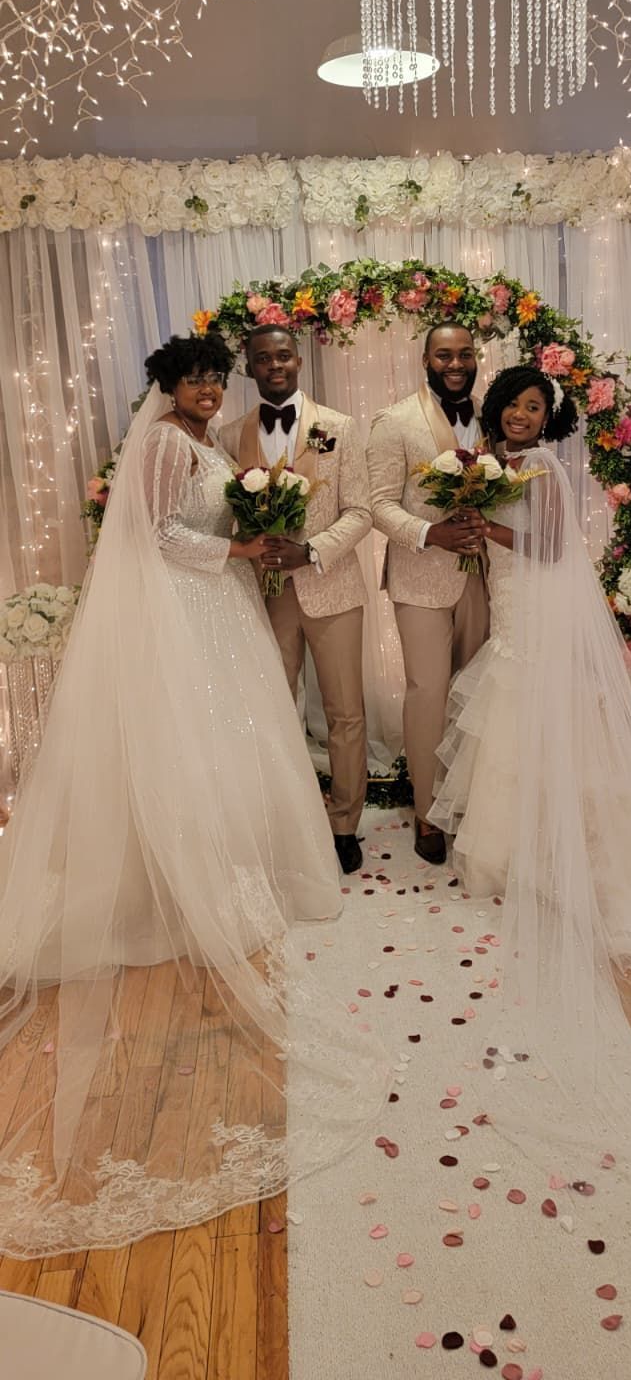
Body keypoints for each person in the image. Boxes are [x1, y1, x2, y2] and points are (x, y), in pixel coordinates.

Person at [0, 331, 390, 1258]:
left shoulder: (210, 443)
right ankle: (172, 878)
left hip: (217, 605)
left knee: (231, 744)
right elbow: (156, 532)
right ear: (169, 387)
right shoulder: (170, 443)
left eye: (218, 377)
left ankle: (217, 860)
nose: (209, 389)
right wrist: (241, 547)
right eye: (196, 379)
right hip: (188, 608)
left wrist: (248, 543)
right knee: (197, 741)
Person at [430, 363, 631, 999]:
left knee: (537, 714)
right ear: (499, 406)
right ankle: (518, 853)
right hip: (508, 601)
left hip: (537, 607)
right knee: (510, 727)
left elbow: (555, 546)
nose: (522, 415)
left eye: (535, 408)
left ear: (548, 418)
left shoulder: (546, 468)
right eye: (514, 404)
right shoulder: (489, 462)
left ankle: (559, 853)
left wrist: (489, 530)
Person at [219, 325, 372, 875]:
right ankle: (285, 819)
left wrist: (311, 551)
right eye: (263, 359)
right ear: (250, 367)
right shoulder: (230, 434)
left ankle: (344, 824)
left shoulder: (342, 428)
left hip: (332, 587)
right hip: (264, 594)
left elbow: (361, 511)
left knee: (344, 712)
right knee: (275, 710)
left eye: (283, 355)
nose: (274, 365)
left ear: (298, 360)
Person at [366, 322, 490, 865]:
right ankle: (426, 810)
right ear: (425, 359)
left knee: (481, 697)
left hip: (486, 576)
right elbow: (377, 504)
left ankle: (472, 805)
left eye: (465, 354)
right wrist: (430, 533)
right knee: (428, 696)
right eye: (444, 355)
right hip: (420, 580)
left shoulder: (495, 415)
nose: (456, 364)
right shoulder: (394, 421)